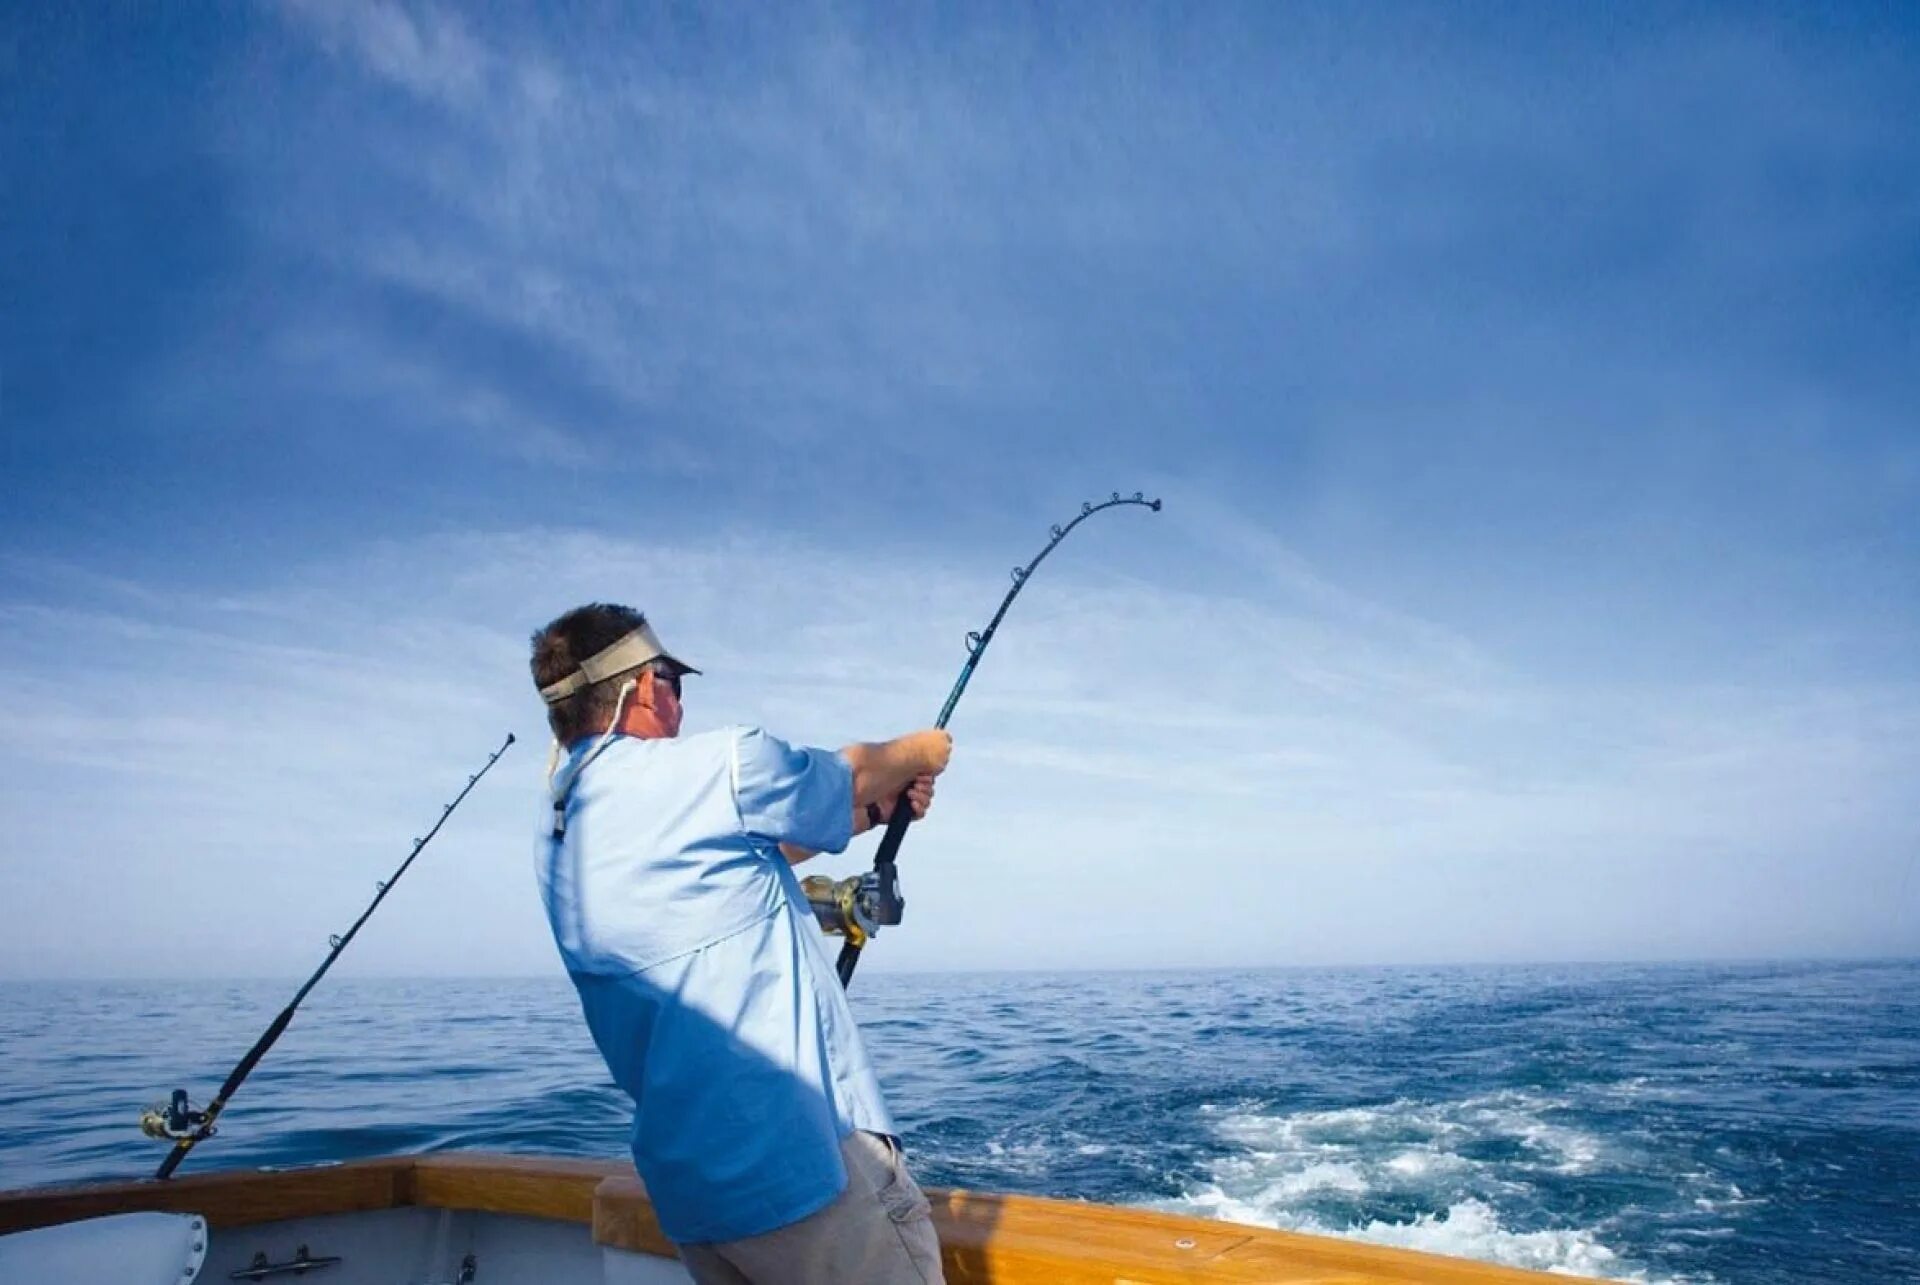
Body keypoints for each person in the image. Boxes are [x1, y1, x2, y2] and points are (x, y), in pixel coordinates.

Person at [529, 602, 952, 1284]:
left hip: (698, 1201)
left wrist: (873, 813)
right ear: (643, 686)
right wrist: (922, 753)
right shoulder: (721, 763)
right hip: (805, 1177)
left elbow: (753, 850)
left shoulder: (560, 833)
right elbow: (849, 770)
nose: (680, 701)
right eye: (673, 679)